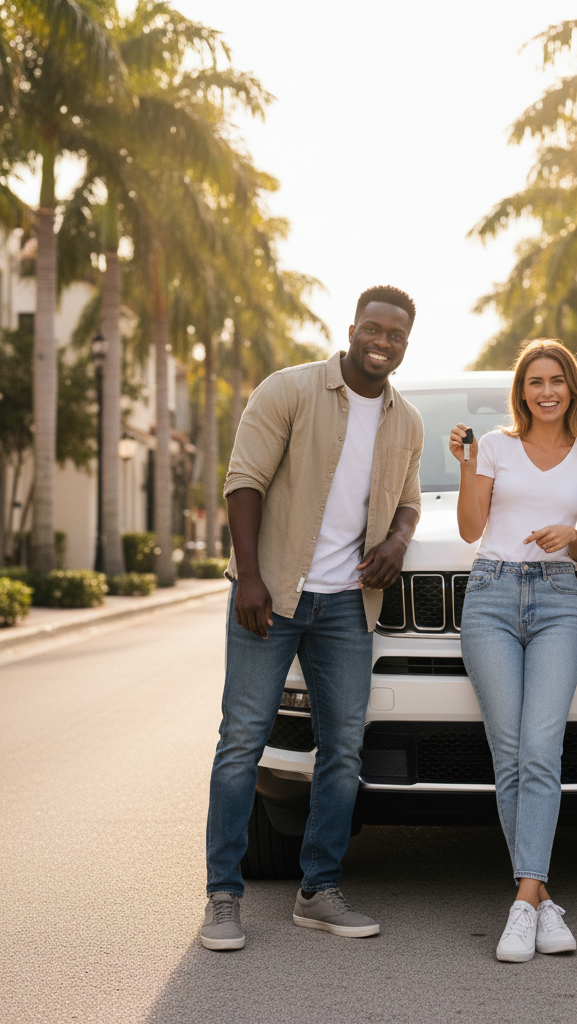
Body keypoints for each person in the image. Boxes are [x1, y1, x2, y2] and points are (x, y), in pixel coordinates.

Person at [201, 285, 424, 951]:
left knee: (343, 750)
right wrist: (249, 576)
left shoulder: (405, 421)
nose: (383, 342)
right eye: (375, 329)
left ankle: (319, 890)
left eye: (397, 335)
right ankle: (222, 896)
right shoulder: (290, 390)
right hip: (273, 594)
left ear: (406, 344)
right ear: (353, 328)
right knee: (242, 741)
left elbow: (408, 500)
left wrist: (396, 541)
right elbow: (244, 481)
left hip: (347, 608)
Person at [449, 340, 577, 963]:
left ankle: (523, 901)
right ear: (521, 391)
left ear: (571, 387)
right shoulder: (493, 447)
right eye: (535, 381)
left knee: (542, 748)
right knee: (510, 751)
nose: (546, 391)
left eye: (557, 380)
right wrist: (466, 465)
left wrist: (574, 534)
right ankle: (539, 901)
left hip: (557, 602)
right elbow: (469, 529)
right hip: (490, 597)